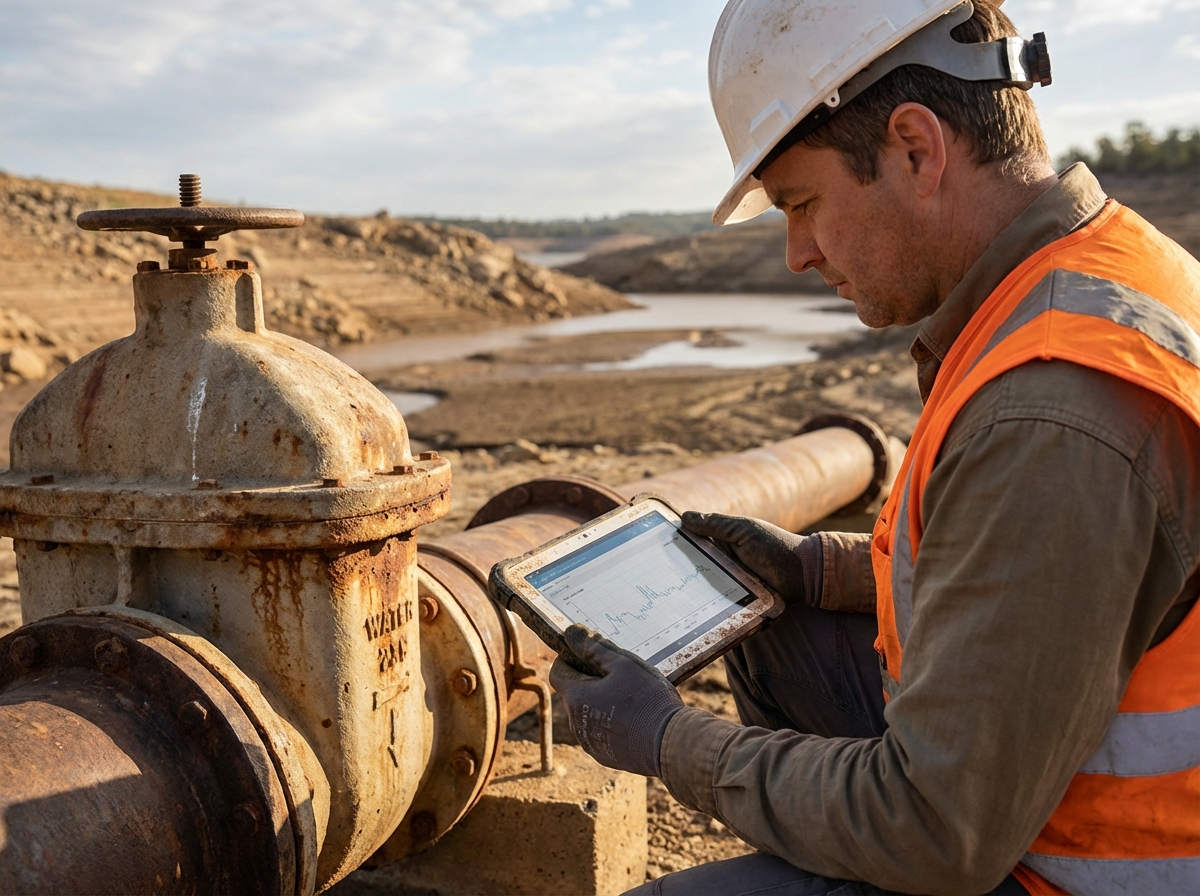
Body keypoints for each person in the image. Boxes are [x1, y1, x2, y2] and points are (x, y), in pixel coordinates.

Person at [548, 1, 1200, 894]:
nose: (796, 254)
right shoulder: (1097, 275)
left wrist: (664, 737)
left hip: (1095, 868)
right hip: (1044, 779)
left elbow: (939, 826)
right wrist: (821, 569)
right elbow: (1049, 577)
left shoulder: (1051, 409)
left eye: (801, 204)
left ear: (916, 149)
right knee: (779, 632)